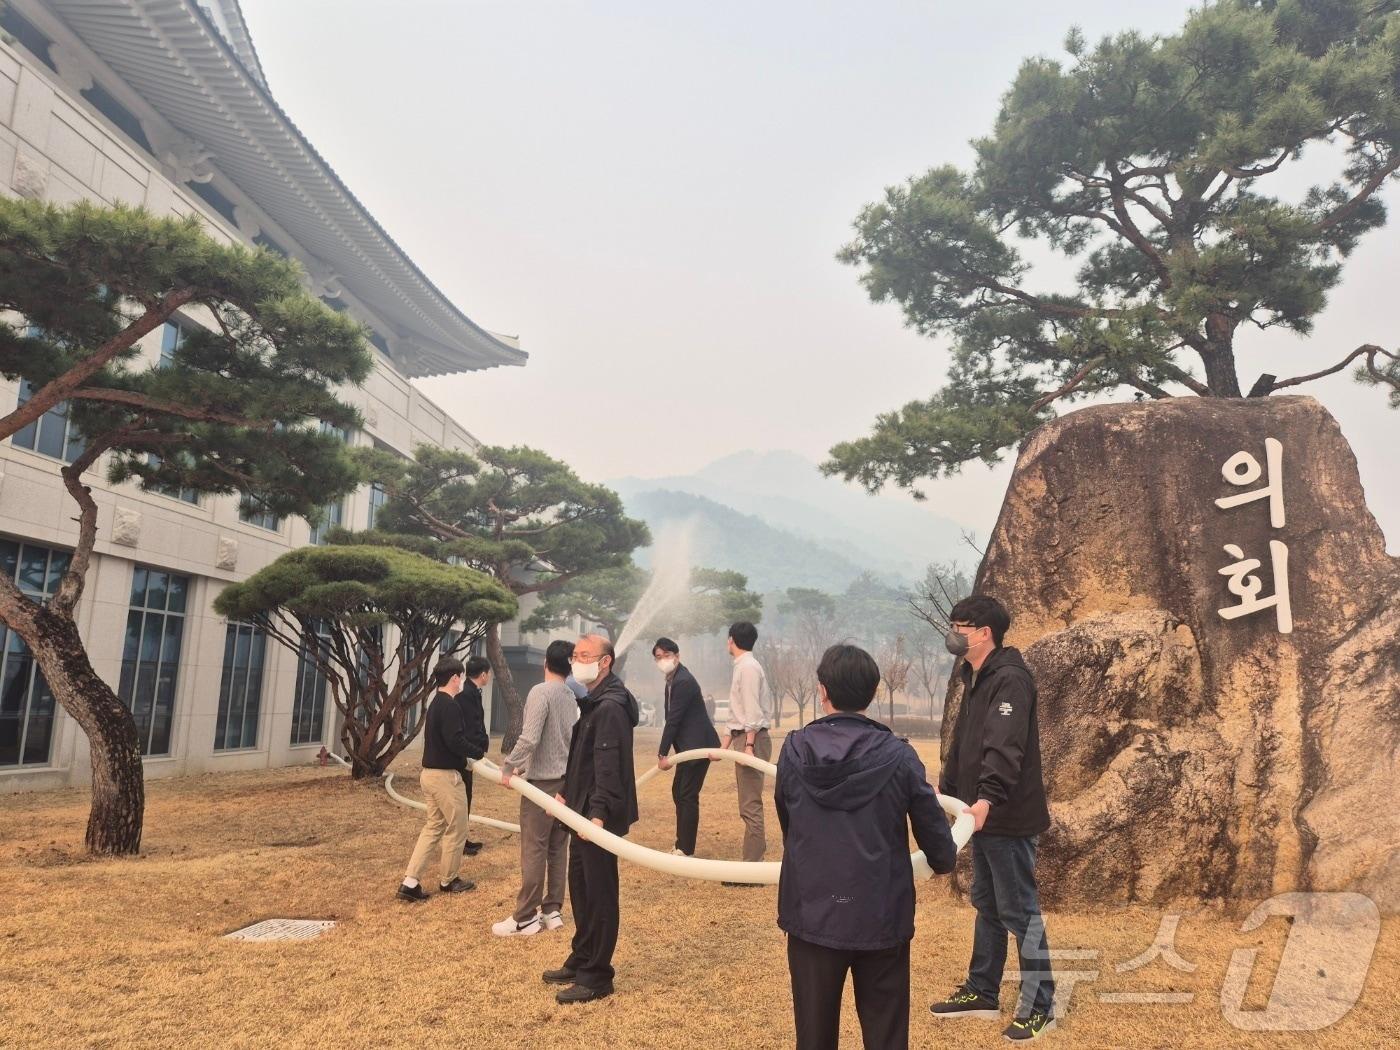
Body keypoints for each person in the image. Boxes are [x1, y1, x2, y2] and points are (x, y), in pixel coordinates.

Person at [777, 644, 957, 1050]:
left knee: (813, 1035)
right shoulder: (899, 756)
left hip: (813, 911)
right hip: (880, 913)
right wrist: (943, 852)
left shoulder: (793, 750)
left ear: (822, 690)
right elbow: (939, 848)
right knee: (886, 1033)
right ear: (874, 692)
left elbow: (790, 826)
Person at [930, 595, 1056, 1042]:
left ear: (984, 633)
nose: (953, 634)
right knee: (987, 903)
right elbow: (965, 742)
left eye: (960, 627)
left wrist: (987, 799)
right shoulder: (974, 675)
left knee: (1019, 910)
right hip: (977, 815)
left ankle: (1040, 1006)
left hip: (1005, 815)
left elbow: (1005, 747)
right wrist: (948, 789)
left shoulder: (1011, 679)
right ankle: (982, 990)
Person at [541, 634, 640, 1004]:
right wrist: (567, 793)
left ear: (605, 661)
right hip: (581, 811)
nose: (576, 662)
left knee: (599, 893)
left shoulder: (611, 706)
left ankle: (597, 975)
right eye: (575, 656)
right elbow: (583, 758)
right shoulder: (593, 701)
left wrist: (597, 815)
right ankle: (582, 957)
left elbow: (608, 765)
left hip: (597, 817)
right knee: (581, 887)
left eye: (584, 655)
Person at [494, 640, 579, 937]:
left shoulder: (540, 692)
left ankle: (526, 917)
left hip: (541, 785)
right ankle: (552, 910)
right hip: (565, 783)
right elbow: (560, 741)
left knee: (534, 848)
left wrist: (509, 766)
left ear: (545, 662)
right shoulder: (571, 696)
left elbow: (530, 737)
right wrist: (522, 767)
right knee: (557, 849)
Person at [396, 657, 480, 902]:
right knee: (458, 827)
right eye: (461, 677)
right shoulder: (450, 705)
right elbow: (455, 741)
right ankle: (449, 880)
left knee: (433, 828)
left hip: (429, 776)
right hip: (445, 778)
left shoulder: (435, 704)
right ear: (454, 678)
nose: (462, 681)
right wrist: (477, 753)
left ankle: (410, 883)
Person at [653, 637, 721, 857]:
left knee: (687, 794)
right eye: (658, 657)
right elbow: (671, 718)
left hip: (698, 746)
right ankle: (681, 843)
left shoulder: (683, 681)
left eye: (667, 655)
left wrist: (662, 753)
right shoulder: (672, 679)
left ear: (677, 656)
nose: (663, 660)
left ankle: (686, 849)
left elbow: (674, 719)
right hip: (686, 749)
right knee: (679, 792)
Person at [723, 621, 771, 883]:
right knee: (747, 804)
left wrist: (749, 746)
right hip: (744, 739)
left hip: (752, 740)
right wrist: (723, 748)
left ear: (732, 640)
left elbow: (752, 712)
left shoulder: (749, 668)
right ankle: (751, 864)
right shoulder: (742, 666)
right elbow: (737, 714)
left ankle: (752, 869)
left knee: (751, 805)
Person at [457, 655, 492, 856]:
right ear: (483, 674)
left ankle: (463, 839)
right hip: (466, 754)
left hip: (470, 752)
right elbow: (470, 725)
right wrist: (478, 748)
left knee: (466, 796)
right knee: (463, 797)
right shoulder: (466, 693)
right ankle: (459, 842)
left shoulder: (472, 691)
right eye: (488, 673)